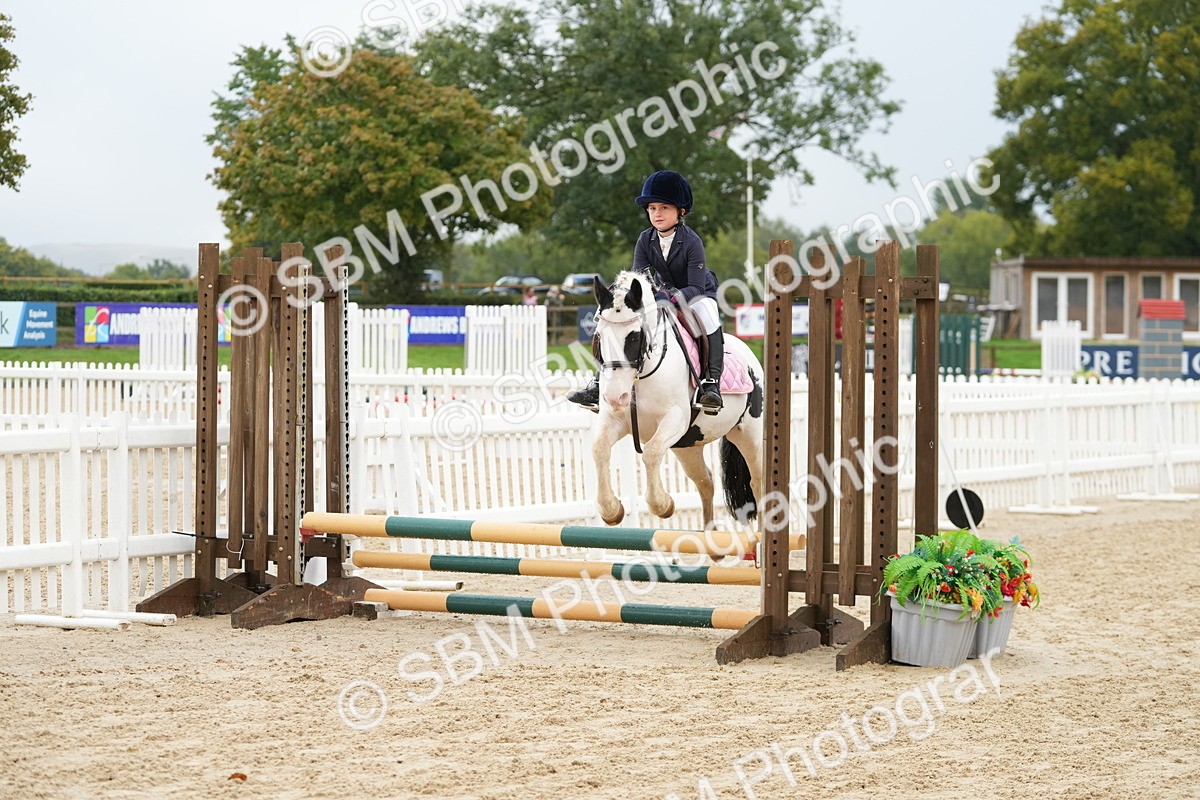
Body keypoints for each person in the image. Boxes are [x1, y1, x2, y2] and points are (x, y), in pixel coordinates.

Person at [568, 170, 724, 412]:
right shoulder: (645, 239)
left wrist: (668, 297)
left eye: (664, 208)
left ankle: (711, 383)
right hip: (660, 294)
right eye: (652, 208)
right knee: (612, 319)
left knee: (709, 314)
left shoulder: (692, 241)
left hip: (696, 294)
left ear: (681, 211)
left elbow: (696, 287)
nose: (657, 213)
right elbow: (637, 280)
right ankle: (598, 382)